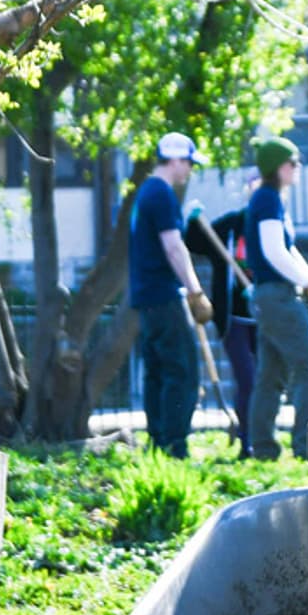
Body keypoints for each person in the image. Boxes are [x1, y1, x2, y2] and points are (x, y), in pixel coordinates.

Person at [128, 131, 212, 459]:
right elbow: (174, 247)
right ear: (175, 159)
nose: (190, 169)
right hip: (164, 295)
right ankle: (175, 446)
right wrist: (195, 290)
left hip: (145, 298)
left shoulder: (144, 192)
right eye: (188, 162)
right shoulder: (162, 194)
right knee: (182, 371)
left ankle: (157, 442)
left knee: (157, 371)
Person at [243, 137, 308, 460]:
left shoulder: (269, 199)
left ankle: (262, 448)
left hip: (270, 295)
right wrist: (306, 281)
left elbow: (287, 250)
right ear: (279, 167)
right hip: (276, 296)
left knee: (270, 376)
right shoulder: (267, 200)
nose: (298, 168)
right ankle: (304, 445)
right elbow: (274, 251)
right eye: (293, 162)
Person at [185, 199, 258, 457]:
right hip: (234, 318)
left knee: (265, 381)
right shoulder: (231, 225)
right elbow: (193, 242)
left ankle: (261, 437)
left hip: (264, 317)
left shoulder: (273, 221)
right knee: (247, 380)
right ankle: (246, 441)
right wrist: (193, 222)